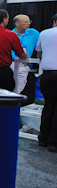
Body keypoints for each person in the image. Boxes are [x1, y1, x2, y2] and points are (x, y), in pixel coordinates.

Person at [35, 13, 57, 152]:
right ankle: (53, 142)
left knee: (48, 106)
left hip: (47, 75)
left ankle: (43, 138)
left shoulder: (44, 33)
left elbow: (39, 52)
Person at [11, 14, 40, 98]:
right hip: (10, 63)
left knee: (20, 86)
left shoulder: (33, 33)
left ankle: (14, 101)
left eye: (29, 21)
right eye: (25, 22)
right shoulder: (10, 34)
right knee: (10, 85)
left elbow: (40, 47)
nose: (28, 23)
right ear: (17, 23)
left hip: (24, 64)